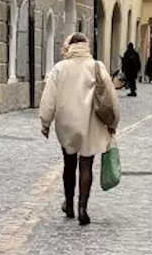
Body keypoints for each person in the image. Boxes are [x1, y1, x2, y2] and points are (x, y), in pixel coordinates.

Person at [40, 33, 120, 226]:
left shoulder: (59, 68)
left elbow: (49, 99)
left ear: (69, 47)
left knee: (69, 164)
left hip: (66, 122)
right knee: (86, 164)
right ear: (86, 46)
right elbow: (110, 97)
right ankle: (83, 208)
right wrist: (113, 122)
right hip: (90, 122)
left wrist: (45, 122)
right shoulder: (96, 66)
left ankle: (68, 204)